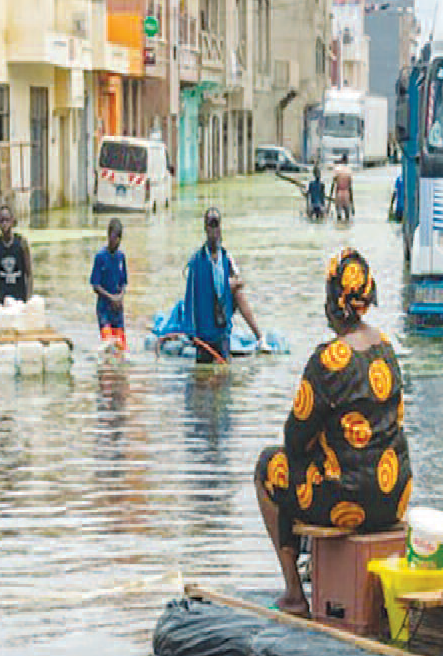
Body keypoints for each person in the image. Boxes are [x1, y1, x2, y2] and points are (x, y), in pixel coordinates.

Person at [254, 248, 413, 618]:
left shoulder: (329, 359)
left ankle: (295, 594)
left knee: (269, 467)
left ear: (332, 303)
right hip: (393, 495)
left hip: (349, 501)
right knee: (319, 465)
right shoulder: (387, 349)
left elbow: (294, 439)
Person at [182, 207, 266, 363]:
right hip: (204, 331)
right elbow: (190, 298)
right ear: (205, 228)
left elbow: (240, 281)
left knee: (224, 377)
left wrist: (227, 285)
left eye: (216, 225)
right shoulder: (196, 261)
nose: (213, 230)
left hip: (221, 329)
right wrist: (190, 332)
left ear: (220, 228)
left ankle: (260, 337)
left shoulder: (226, 258)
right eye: (210, 225)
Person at [90, 218, 128, 350]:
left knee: (120, 347)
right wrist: (111, 297)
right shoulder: (100, 257)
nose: (115, 241)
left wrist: (120, 297)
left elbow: (124, 282)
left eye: (118, 238)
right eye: (113, 237)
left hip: (117, 309)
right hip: (104, 308)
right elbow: (95, 285)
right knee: (108, 345)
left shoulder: (121, 257)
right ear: (108, 236)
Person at [0, 205, 32, 304]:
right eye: (2, 220)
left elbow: (29, 274)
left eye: (7, 220)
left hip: (19, 296)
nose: (5, 224)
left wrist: (29, 299)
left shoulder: (21, 243)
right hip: (2, 297)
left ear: (12, 221)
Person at [329, 154, 354, 221]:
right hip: (346, 194)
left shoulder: (336, 169)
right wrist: (352, 204)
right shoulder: (349, 170)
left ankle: (339, 228)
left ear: (341, 160)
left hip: (339, 193)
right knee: (347, 216)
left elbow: (333, 185)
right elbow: (350, 187)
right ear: (347, 161)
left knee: (339, 216)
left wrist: (329, 200)